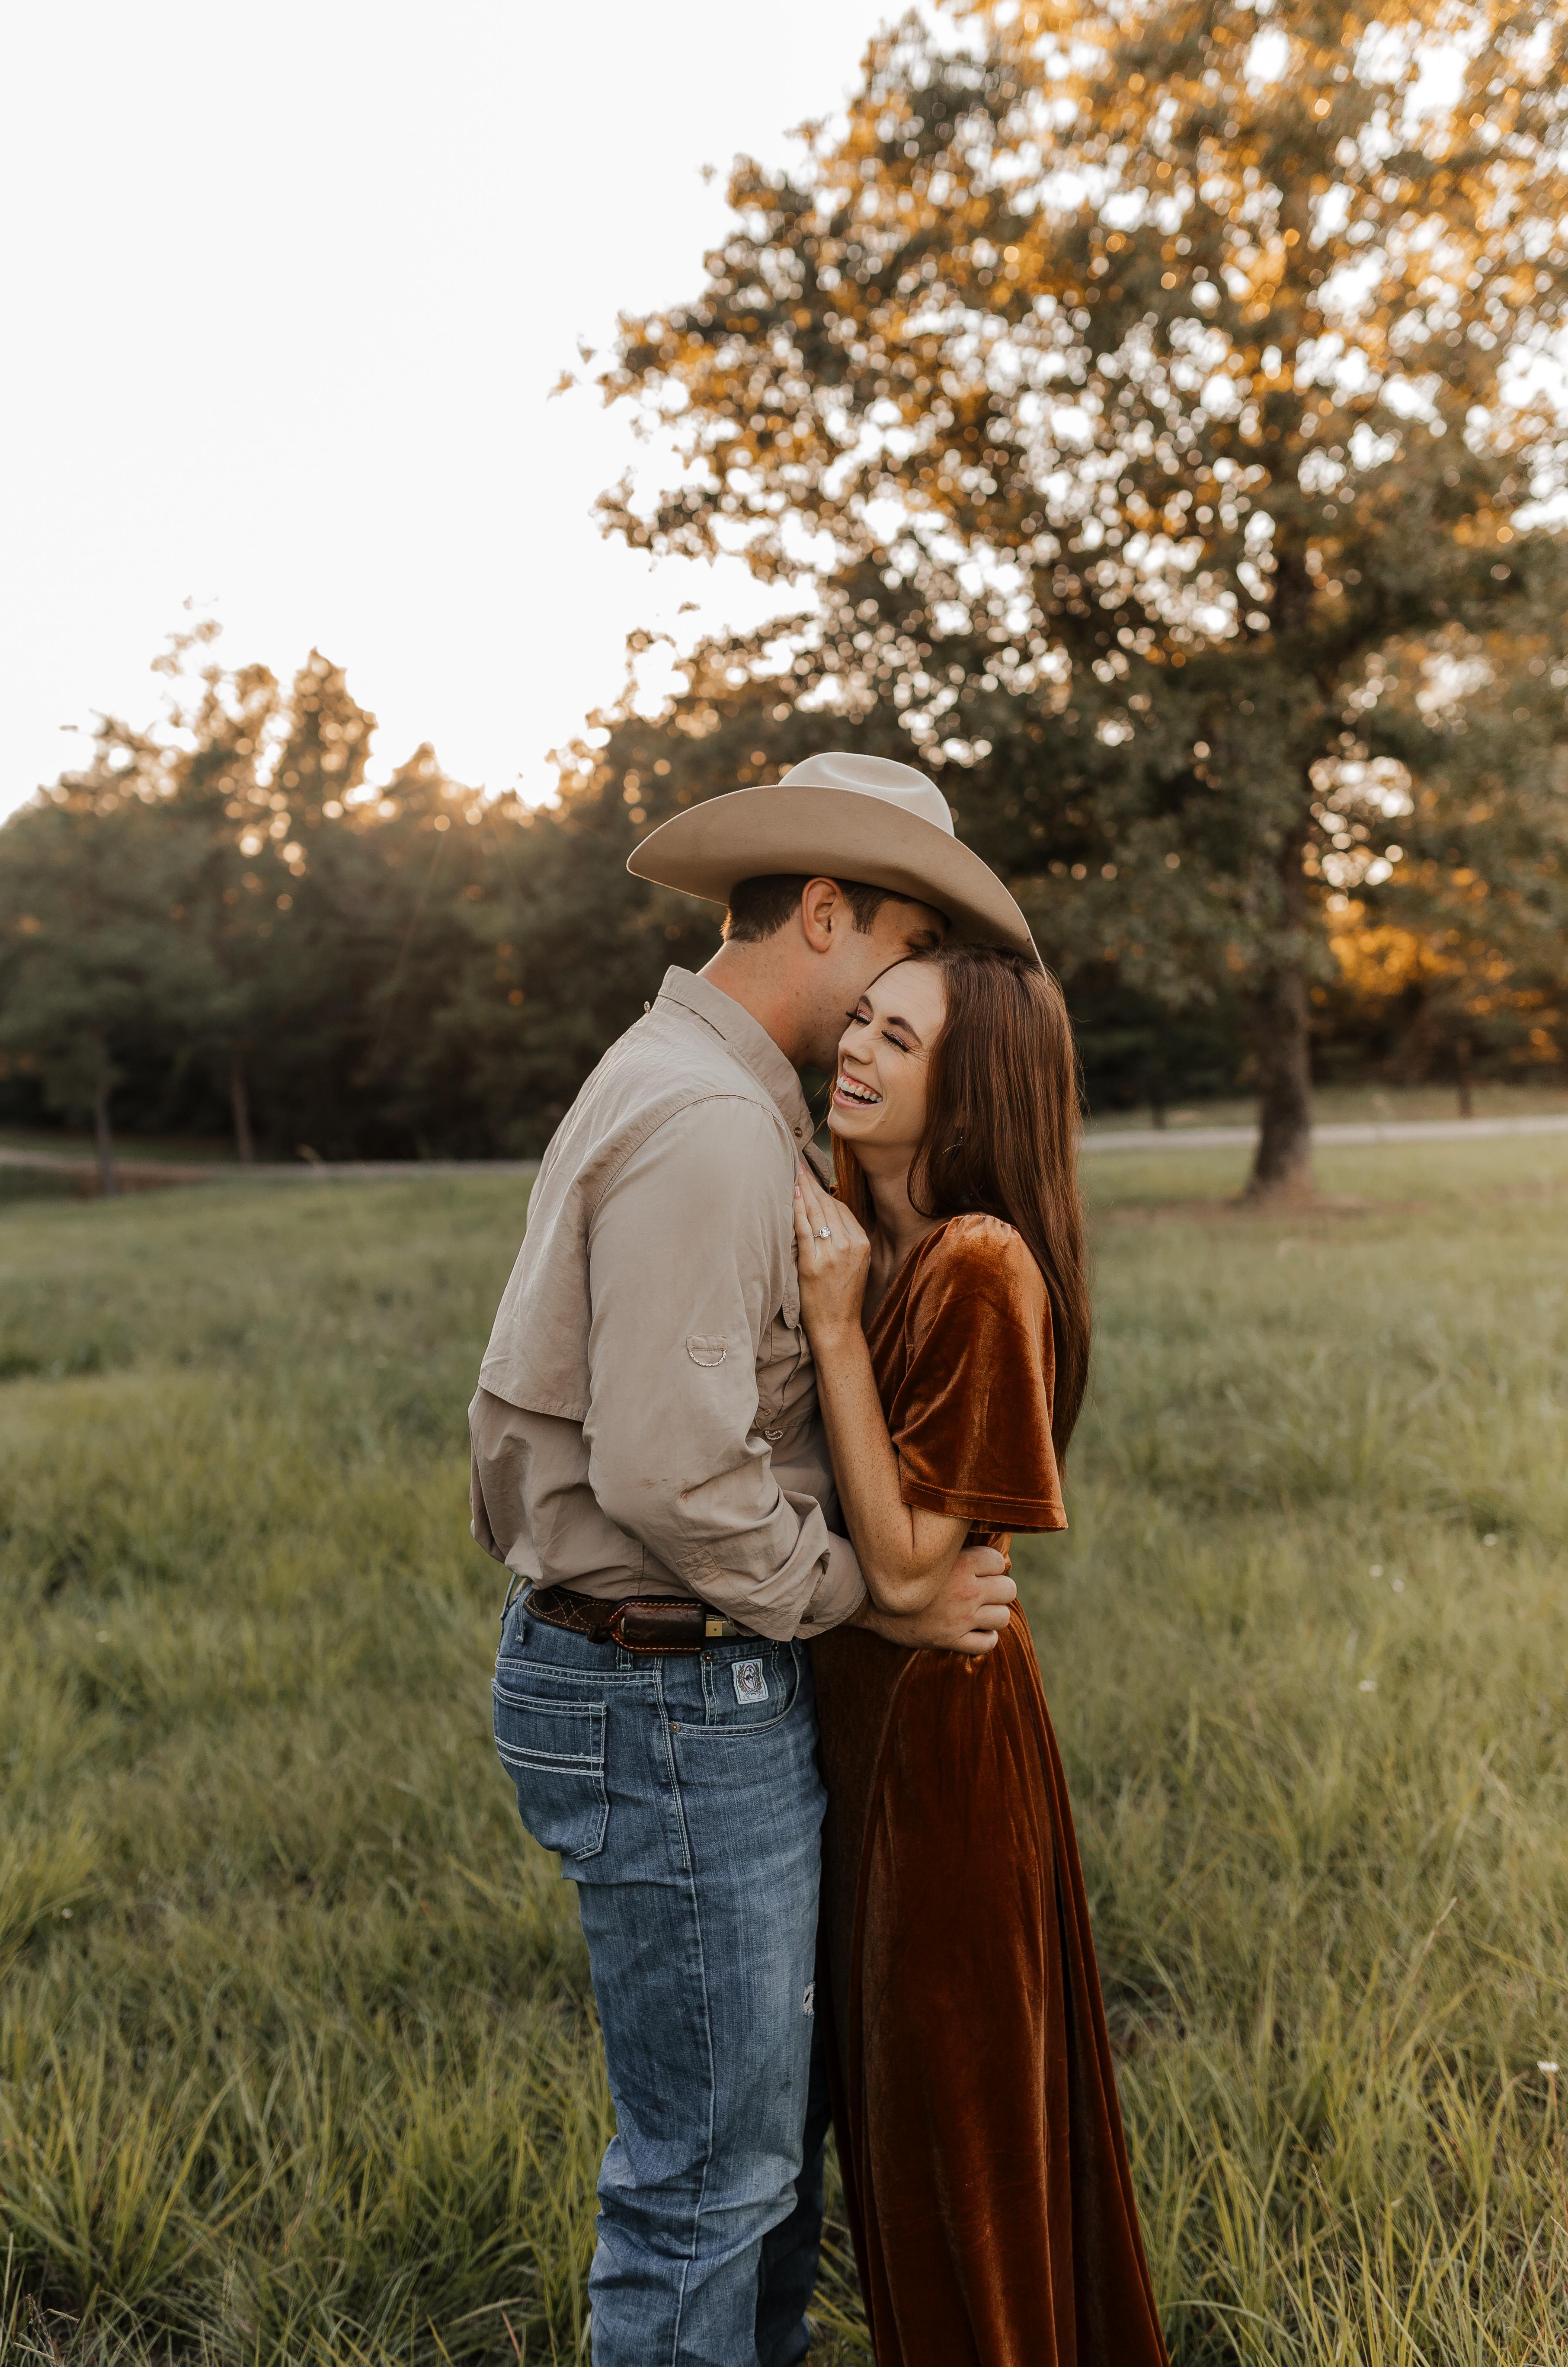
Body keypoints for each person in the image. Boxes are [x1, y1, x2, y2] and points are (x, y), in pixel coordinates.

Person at [468, 751, 1036, 2367]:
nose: (898, 1003)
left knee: (754, 2169)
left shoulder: (690, 1079)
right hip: (665, 1683)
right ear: (829, 912)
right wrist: (876, 1595)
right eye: (900, 953)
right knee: (709, 2192)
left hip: (665, 1672)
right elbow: (669, 1469)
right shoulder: (716, 1123)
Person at [792, 940, 1170, 2367]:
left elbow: (908, 1564)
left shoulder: (977, 1265)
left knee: (963, 2165)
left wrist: (837, 1332)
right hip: (854, 1736)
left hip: (944, 1761)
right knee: (891, 2154)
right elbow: (884, 1585)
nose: (858, 1048)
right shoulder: (855, 1226)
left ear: (972, 1093)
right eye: (862, 1018)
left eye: (902, 1039)